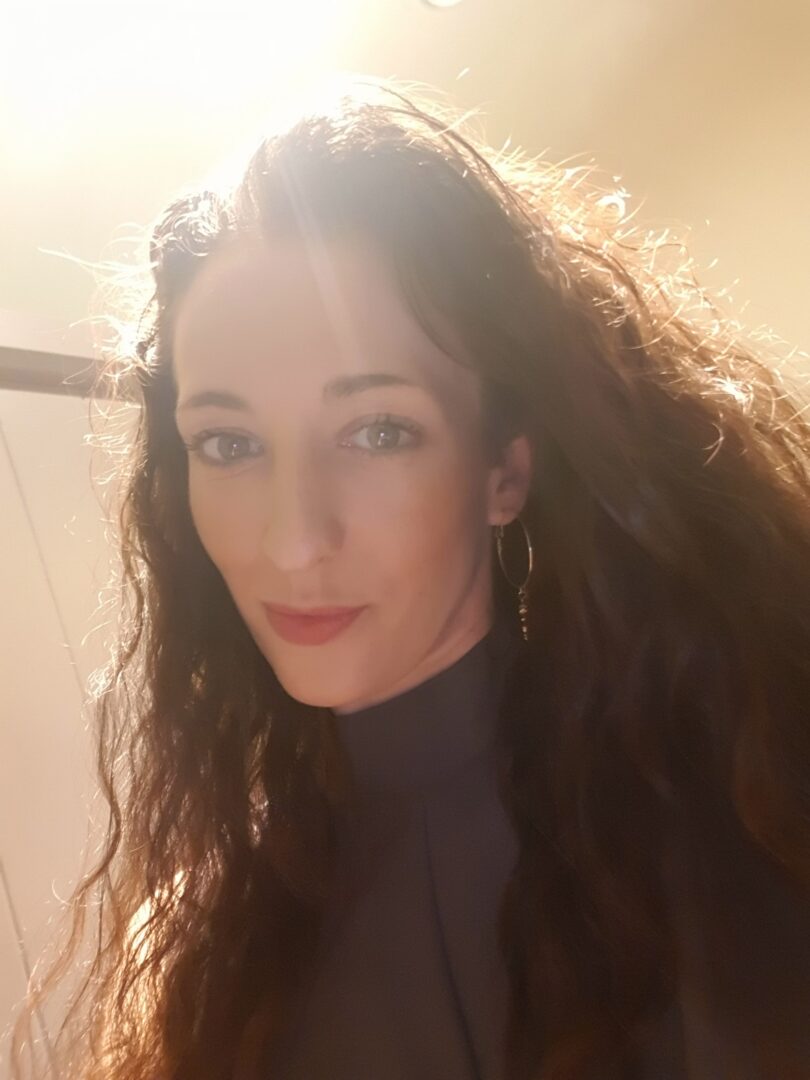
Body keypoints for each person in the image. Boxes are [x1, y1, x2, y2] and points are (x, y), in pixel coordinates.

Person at [11, 78, 810, 1080]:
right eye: (229, 443)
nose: (293, 542)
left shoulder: (720, 867)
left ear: (505, 469)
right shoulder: (217, 916)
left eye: (378, 431)